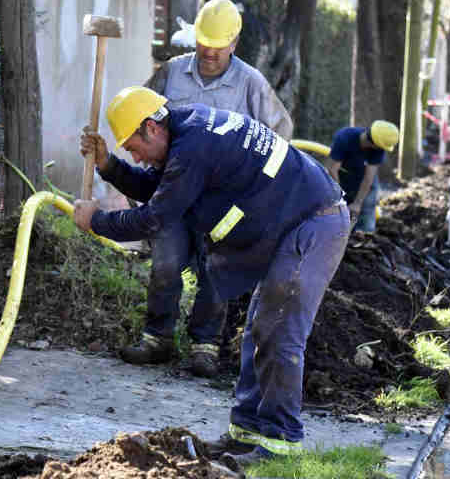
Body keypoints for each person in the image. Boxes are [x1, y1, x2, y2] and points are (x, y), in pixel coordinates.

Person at [73, 86, 349, 469]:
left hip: (312, 223)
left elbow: (156, 216)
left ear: (152, 128)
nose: (134, 156)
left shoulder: (194, 147)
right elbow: (166, 188)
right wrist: (109, 167)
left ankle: (280, 445)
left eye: (132, 148)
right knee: (258, 331)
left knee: (280, 332)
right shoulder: (190, 131)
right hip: (293, 221)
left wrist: (97, 221)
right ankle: (247, 433)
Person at [123, 0, 292, 378]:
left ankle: (205, 346)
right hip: (176, 193)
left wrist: (256, 187)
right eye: (203, 43)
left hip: (222, 200)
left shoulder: (250, 83)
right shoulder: (171, 74)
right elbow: (141, 120)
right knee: (165, 263)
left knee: (215, 270)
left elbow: (280, 133)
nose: (209, 53)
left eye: (218, 47)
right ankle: (157, 338)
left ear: (234, 42)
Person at [323, 121, 399, 233]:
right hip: (340, 176)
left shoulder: (379, 149)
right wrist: (340, 199)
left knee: (367, 205)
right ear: (375, 143)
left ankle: (365, 235)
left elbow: (369, 177)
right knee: (333, 208)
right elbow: (332, 169)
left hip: (364, 179)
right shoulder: (345, 137)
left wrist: (358, 203)